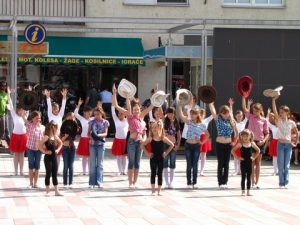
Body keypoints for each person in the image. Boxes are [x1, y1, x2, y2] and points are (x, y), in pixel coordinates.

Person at [114, 84, 157, 188]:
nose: (136, 111)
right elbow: (116, 105)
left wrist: (155, 95)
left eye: (138, 109)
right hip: (132, 142)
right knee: (131, 162)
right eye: (135, 110)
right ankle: (130, 183)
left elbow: (151, 106)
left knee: (137, 163)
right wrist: (115, 93)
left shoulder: (142, 116)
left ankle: (135, 182)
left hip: (140, 143)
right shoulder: (129, 116)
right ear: (132, 110)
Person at [179, 105, 209, 189]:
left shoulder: (201, 125)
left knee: (195, 164)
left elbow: (207, 134)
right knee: (189, 164)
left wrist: (202, 142)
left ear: (197, 115)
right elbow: (181, 115)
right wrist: (179, 106)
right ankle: (189, 182)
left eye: (193, 114)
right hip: (188, 145)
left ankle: (194, 182)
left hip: (196, 145)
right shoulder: (189, 122)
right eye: (191, 114)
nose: (191, 116)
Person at [209, 102, 238, 189]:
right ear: (221, 113)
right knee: (220, 163)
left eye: (227, 113)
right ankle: (220, 182)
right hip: (219, 144)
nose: (226, 115)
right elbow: (212, 111)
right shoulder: (218, 119)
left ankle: (225, 182)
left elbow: (237, 132)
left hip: (228, 144)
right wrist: (210, 103)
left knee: (227, 164)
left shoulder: (231, 120)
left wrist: (234, 141)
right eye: (224, 113)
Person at [140, 120, 174, 195]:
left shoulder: (163, 138)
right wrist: (147, 153)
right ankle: (153, 190)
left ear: (159, 128)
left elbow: (171, 145)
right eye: (153, 128)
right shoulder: (150, 138)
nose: (154, 129)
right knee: (153, 173)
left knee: (160, 173)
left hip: (161, 158)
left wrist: (166, 153)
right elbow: (142, 145)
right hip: (153, 158)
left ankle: (159, 190)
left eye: (156, 127)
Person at [272, 96, 299, 189]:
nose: (280, 113)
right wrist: (273, 100)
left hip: (288, 145)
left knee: (286, 165)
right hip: (280, 144)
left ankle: (286, 182)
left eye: (282, 112)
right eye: (280, 112)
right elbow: (274, 111)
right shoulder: (279, 121)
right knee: (280, 163)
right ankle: (281, 182)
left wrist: (295, 142)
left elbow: (296, 132)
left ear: (287, 113)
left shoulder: (292, 122)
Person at [242, 98, 269, 189]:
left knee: (258, 162)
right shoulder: (251, 117)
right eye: (253, 110)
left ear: (260, 111)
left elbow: (267, 132)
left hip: (260, 142)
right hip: (251, 141)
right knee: (251, 162)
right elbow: (245, 109)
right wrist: (244, 97)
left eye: (256, 111)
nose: (254, 112)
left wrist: (264, 141)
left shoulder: (264, 120)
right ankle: (252, 182)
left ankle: (257, 182)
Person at [37, 120, 63, 197]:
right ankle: (47, 191)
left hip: (54, 157)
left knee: (55, 174)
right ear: (52, 128)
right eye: (55, 128)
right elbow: (39, 145)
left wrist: (57, 150)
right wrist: (45, 152)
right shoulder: (46, 137)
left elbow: (61, 143)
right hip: (48, 158)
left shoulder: (55, 137)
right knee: (48, 173)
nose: (56, 130)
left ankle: (56, 191)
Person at [45, 88, 67, 174]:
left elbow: (64, 106)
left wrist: (64, 97)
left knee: (58, 153)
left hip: (59, 136)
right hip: (51, 136)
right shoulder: (50, 114)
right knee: (51, 152)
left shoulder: (60, 115)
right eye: (54, 109)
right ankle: (50, 168)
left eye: (57, 109)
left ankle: (57, 169)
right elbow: (48, 106)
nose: (56, 110)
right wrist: (48, 97)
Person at [232, 129, 260, 196]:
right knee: (243, 176)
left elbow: (258, 150)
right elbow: (233, 150)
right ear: (242, 137)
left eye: (247, 136)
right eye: (244, 136)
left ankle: (248, 191)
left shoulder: (252, 143)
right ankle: (243, 191)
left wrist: (254, 157)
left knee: (249, 177)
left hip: (249, 162)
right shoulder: (240, 144)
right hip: (243, 162)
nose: (245, 138)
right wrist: (237, 157)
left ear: (250, 136)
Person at [7, 86, 27, 176]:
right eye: (19, 110)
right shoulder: (15, 116)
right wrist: (8, 94)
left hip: (23, 136)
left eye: (22, 110)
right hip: (15, 136)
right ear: (18, 110)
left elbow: (28, 105)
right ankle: (15, 171)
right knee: (16, 154)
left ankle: (21, 170)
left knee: (22, 155)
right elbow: (10, 105)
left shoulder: (25, 117)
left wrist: (29, 93)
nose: (21, 111)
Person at [87, 106, 110, 188]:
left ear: (102, 114)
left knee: (100, 164)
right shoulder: (91, 122)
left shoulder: (105, 122)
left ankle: (99, 181)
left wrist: (97, 136)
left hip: (101, 145)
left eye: (98, 114)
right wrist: (92, 136)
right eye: (95, 114)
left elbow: (105, 133)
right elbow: (88, 133)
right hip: (92, 144)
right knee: (93, 164)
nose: (96, 116)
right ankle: (92, 183)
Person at [162, 107, 181, 189]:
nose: (170, 115)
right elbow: (160, 111)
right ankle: (166, 182)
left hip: (173, 144)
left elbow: (179, 135)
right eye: (169, 113)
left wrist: (178, 145)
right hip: (165, 144)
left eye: (172, 113)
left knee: (172, 162)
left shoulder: (176, 122)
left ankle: (171, 182)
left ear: (174, 114)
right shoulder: (164, 121)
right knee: (165, 162)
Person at [111, 85, 129, 175]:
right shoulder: (116, 120)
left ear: (125, 114)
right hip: (118, 140)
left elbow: (129, 110)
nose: (120, 115)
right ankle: (119, 170)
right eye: (119, 114)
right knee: (119, 156)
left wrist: (127, 97)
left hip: (125, 140)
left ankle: (124, 170)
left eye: (122, 114)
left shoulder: (127, 120)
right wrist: (114, 93)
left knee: (124, 156)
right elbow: (113, 109)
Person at [25, 111, 45, 188]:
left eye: (39, 118)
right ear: (32, 119)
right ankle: (30, 183)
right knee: (31, 165)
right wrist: (25, 110)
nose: (38, 120)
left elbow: (45, 137)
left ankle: (35, 183)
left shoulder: (42, 127)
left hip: (38, 149)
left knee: (37, 166)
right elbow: (24, 118)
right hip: (30, 148)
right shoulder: (29, 125)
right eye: (36, 118)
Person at [229, 98, 249, 176]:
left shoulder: (244, 122)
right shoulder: (234, 122)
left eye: (240, 116)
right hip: (236, 139)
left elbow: (247, 115)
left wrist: (248, 105)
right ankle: (236, 170)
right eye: (238, 116)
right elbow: (230, 114)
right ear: (236, 116)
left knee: (242, 155)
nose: (239, 117)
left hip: (243, 140)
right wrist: (231, 105)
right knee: (235, 155)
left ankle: (241, 170)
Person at [75, 98, 93, 175]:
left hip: (90, 138)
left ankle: (89, 171)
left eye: (90, 112)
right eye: (87, 111)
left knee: (90, 156)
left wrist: (100, 107)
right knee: (84, 156)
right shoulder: (82, 119)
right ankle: (83, 171)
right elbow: (75, 113)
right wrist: (78, 105)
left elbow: (101, 115)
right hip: (83, 138)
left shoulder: (93, 119)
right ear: (84, 112)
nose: (89, 113)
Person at [60, 112, 78, 188]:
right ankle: (65, 182)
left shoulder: (75, 127)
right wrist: (66, 135)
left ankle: (71, 182)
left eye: (72, 118)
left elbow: (77, 132)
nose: (71, 119)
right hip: (65, 147)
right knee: (65, 165)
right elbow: (61, 139)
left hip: (72, 147)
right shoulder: (63, 126)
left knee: (71, 165)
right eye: (69, 117)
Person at [198, 109, 213, 176]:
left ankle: (202, 170)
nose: (201, 115)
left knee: (203, 155)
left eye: (202, 114)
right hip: (198, 137)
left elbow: (213, 115)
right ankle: (196, 169)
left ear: (204, 115)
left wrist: (211, 106)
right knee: (197, 154)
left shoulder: (206, 120)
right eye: (200, 114)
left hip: (204, 137)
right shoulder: (196, 121)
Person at [266, 108, 279, 175]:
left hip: (280, 142)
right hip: (274, 142)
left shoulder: (281, 127)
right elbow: (266, 121)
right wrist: (268, 113)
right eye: (276, 120)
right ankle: (275, 171)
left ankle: (279, 171)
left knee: (280, 157)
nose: (277, 121)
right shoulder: (273, 127)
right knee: (274, 157)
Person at [0, 81, 8, 147]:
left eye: (5, 85)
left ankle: (0, 141)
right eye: (2, 85)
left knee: (2, 130)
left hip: (3, 114)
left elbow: (7, 104)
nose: (3, 86)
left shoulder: (6, 95)